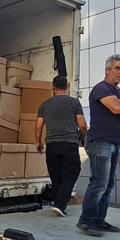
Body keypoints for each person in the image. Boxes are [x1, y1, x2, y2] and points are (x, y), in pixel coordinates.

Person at [77, 54, 120, 237]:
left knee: (108, 185)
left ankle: (99, 220)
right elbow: (117, 108)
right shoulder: (101, 88)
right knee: (99, 183)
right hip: (100, 142)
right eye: (117, 68)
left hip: (114, 143)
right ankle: (86, 220)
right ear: (107, 70)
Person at [35, 75, 87, 217]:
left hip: (51, 145)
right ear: (67, 86)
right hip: (69, 144)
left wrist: (38, 142)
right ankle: (60, 204)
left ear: (53, 87)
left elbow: (38, 126)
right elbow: (82, 125)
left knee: (56, 175)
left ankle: (58, 203)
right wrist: (83, 137)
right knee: (71, 173)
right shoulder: (74, 103)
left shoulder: (44, 105)